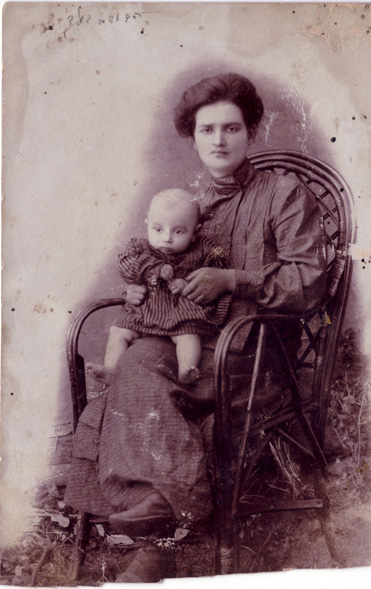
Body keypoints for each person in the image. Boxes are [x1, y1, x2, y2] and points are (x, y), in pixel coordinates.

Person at [65, 72, 327, 581]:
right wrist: (142, 291)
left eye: (232, 128)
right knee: (138, 361)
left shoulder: (284, 193)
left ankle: (156, 538)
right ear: (193, 137)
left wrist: (234, 279)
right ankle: (157, 529)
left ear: (251, 131)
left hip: (254, 352)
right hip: (190, 345)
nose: (219, 140)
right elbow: (160, 266)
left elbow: (309, 281)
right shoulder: (191, 205)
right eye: (207, 130)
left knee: (140, 374)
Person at [86, 188, 229, 386]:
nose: (167, 238)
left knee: (188, 336)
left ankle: (186, 369)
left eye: (178, 231)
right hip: (144, 312)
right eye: (158, 229)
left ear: (195, 232)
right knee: (118, 331)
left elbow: (216, 271)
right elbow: (125, 265)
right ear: (147, 224)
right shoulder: (139, 248)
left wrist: (188, 283)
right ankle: (111, 370)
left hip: (181, 314)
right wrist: (154, 268)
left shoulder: (203, 249)